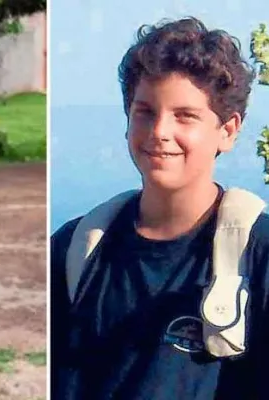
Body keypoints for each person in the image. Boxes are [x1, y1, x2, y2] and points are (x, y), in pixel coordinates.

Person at [51, 17, 269, 399]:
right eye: (145, 112)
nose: (159, 132)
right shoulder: (74, 249)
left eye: (185, 116)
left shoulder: (259, 256)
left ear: (228, 130)